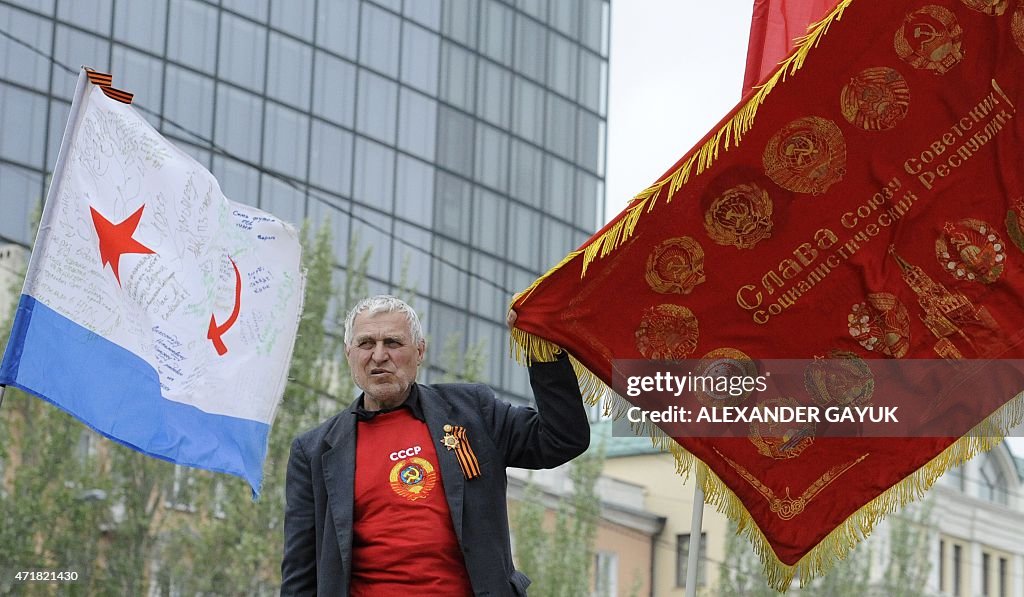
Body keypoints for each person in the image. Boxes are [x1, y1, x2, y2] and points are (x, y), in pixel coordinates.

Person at [281, 295, 589, 596]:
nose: (378, 355)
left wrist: (543, 351)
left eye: (392, 342)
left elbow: (562, 438)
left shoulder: (473, 411)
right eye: (365, 344)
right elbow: (300, 574)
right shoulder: (314, 452)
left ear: (420, 351)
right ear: (349, 353)